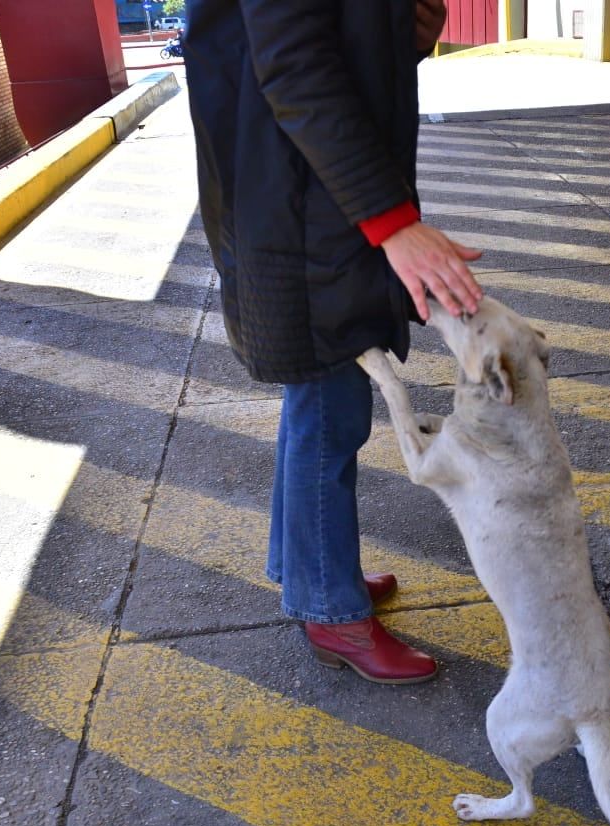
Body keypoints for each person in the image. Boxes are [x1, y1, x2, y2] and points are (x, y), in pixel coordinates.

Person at [184, 0, 483, 684]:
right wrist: (394, 222)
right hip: (299, 209)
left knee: (315, 402)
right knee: (329, 413)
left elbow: (325, 46)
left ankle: (311, 569)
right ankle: (331, 611)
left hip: (307, 200)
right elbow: (293, 66)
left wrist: (399, 35)